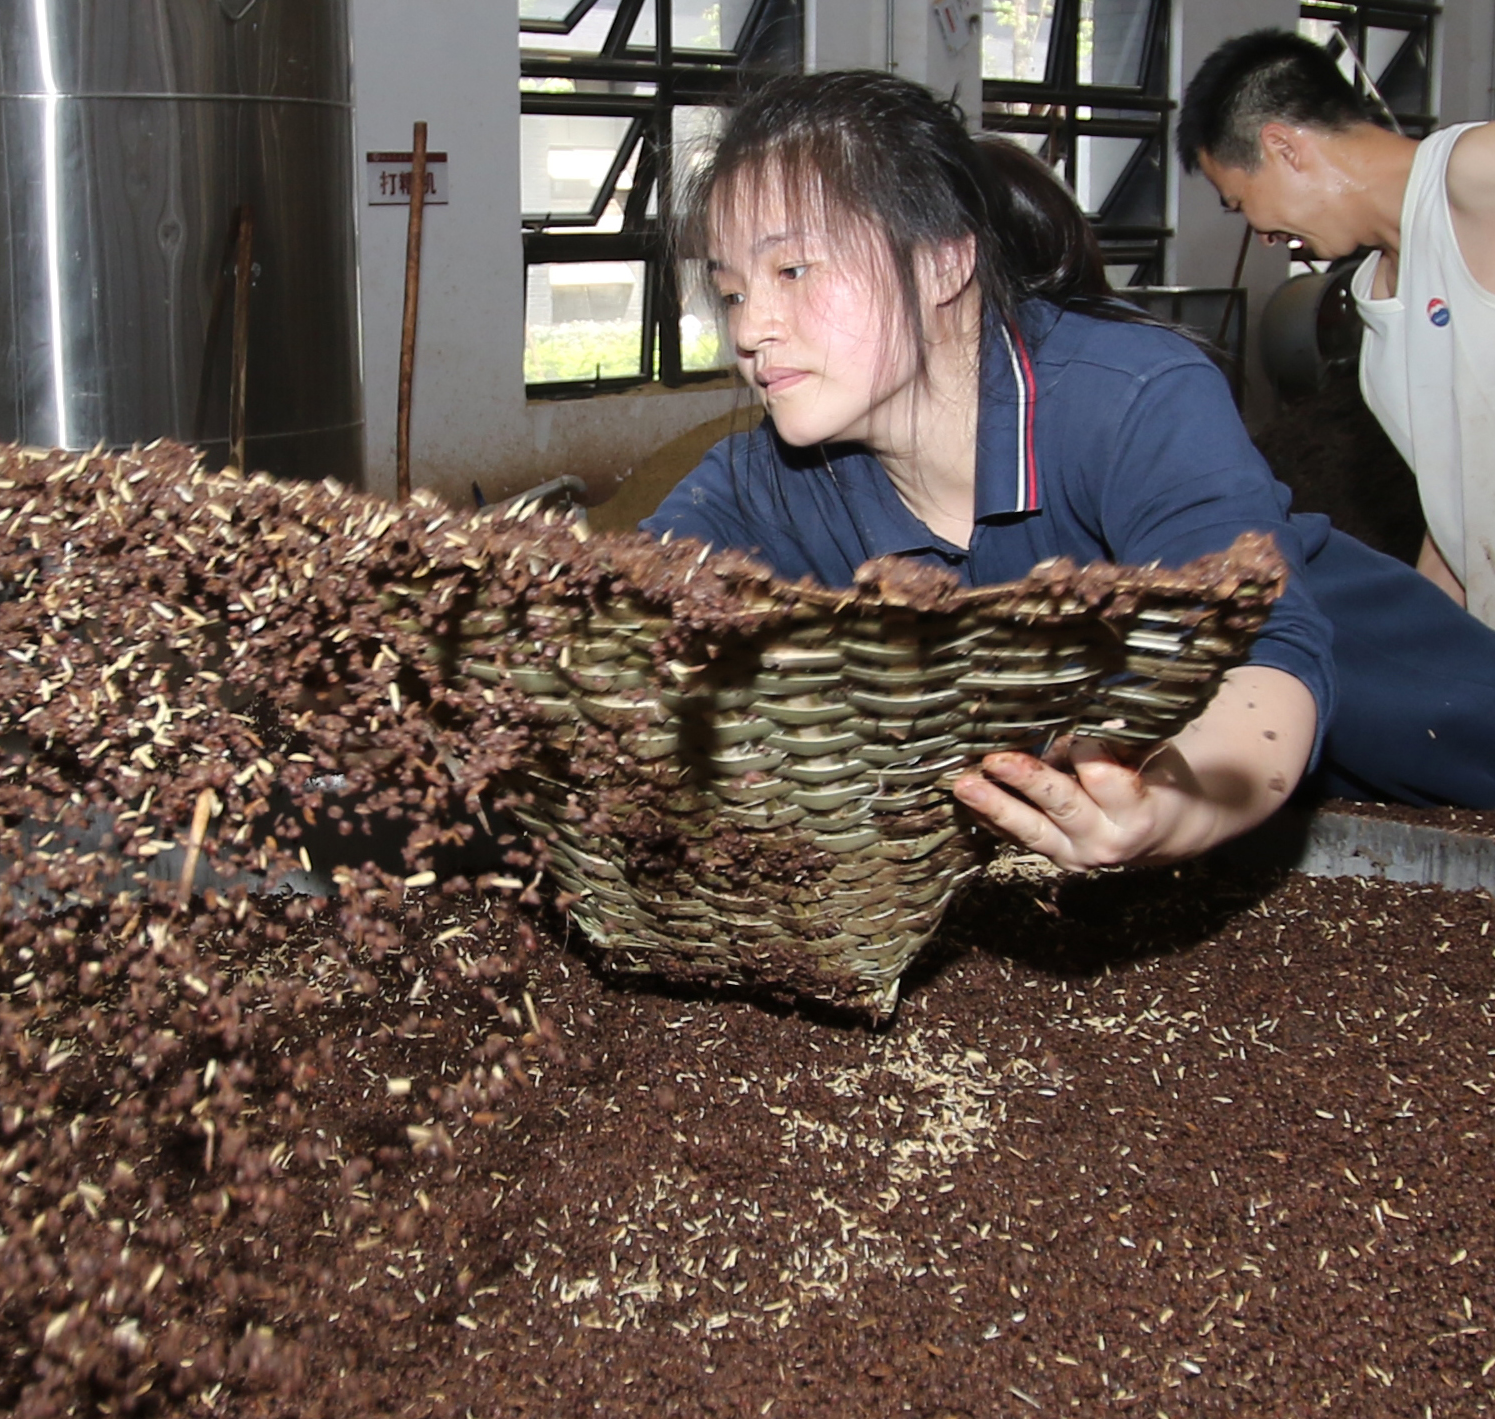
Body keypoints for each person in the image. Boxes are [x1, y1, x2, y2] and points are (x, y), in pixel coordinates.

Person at [638, 70, 1495, 864]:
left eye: (793, 269)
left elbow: (1267, 652)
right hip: (1253, 842)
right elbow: (614, 615)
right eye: (736, 289)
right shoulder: (767, 480)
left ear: (944, 258)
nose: (750, 329)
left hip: (1414, 722)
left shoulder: (1128, 397)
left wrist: (1170, 804)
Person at [1184, 30, 1495, 621]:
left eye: (1240, 200)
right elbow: (1458, 520)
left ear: (1283, 148)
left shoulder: (1474, 176)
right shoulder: (1376, 312)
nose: (1262, 232)